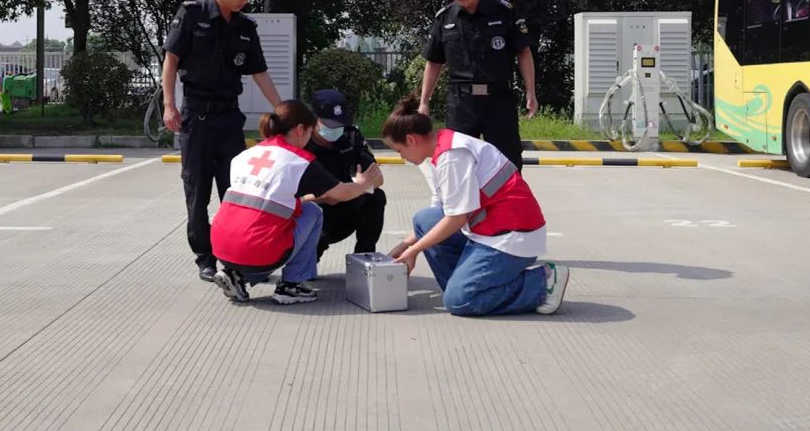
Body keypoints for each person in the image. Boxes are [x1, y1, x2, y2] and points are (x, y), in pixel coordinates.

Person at [383, 95, 568, 317]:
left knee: (460, 302)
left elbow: (456, 218)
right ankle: (466, 284)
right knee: (425, 219)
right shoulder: (441, 148)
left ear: (411, 140)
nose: (401, 157)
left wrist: (414, 251)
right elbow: (441, 210)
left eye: (398, 150)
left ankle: (541, 282)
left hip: (511, 238)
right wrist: (405, 246)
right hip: (489, 230)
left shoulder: (453, 156)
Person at [162, 0, 283, 283]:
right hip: (197, 117)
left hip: (229, 118)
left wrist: (281, 108)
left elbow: (259, 72)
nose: (245, 0)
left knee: (236, 191)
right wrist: (169, 105)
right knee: (197, 190)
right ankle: (205, 257)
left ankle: (235, 256)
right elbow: (171, 60)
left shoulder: (246, 27)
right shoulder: (192, 14)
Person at [210, 100, 383, 304]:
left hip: (220, 246)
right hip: (259, 250)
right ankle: (291, 285)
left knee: (273, 220)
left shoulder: (245, 155)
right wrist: (363, 184)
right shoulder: (298, 161)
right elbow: (344, 193)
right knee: (312, 212)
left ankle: (235, 274)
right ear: (301, 129)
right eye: (310, 132)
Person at [420, 0, 537, 171]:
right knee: (458, 165)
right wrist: (424, 102)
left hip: (498, 101)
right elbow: (434, 62)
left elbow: (523, 51)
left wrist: (531, 92)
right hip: (461, 103)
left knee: (507, 164)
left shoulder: (502, 11)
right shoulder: (445, 18)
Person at [305, 89, 387, 259]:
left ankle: (363, 259)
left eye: (339, 124)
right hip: (312, 213)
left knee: (376, 197)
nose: (336, 129)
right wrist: (323, 198)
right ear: (313, 121)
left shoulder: (351, 136)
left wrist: (351, 191)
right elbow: (288, 199)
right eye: (330, 125)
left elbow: (377, 179)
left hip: (345, 208)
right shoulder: (301, 142)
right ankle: (306, 262)